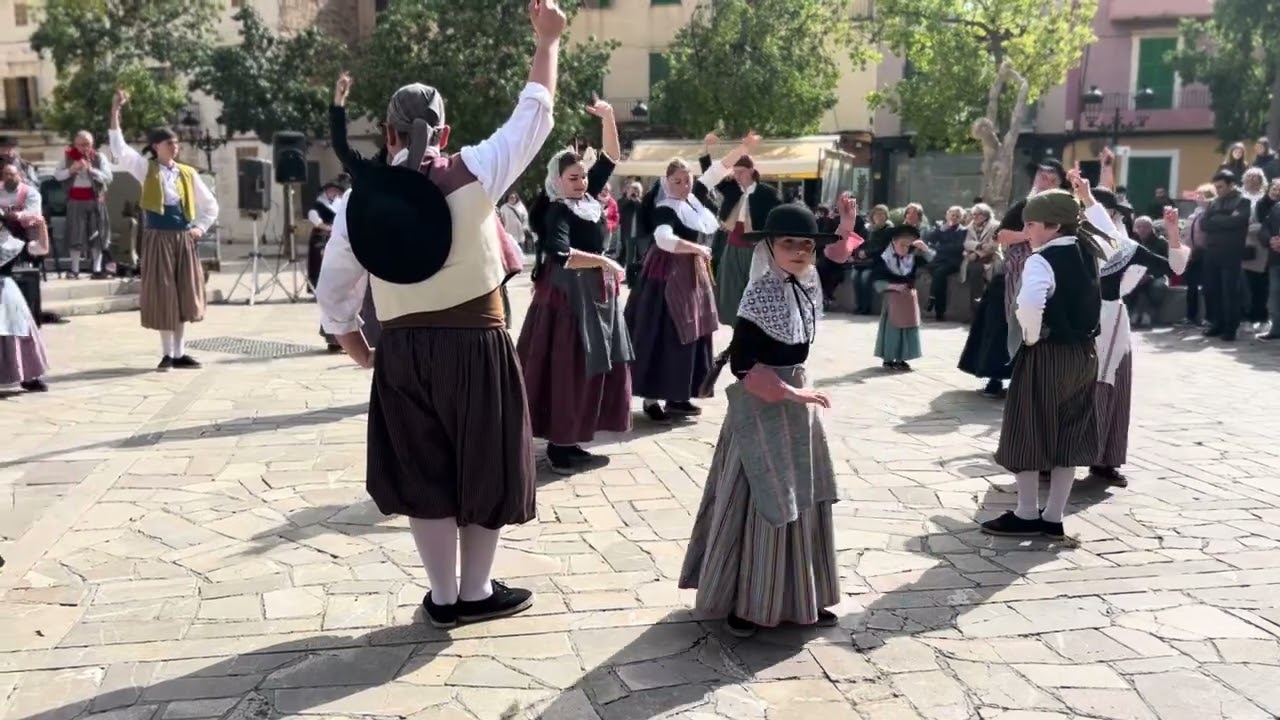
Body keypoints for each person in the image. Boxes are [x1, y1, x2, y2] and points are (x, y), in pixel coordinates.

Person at [315, 0, 565, 630]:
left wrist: (366, 354)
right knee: (486, 465)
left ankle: (444, 596)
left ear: (387, 132)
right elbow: (533, 115)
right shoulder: (475, 170)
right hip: (477, 346)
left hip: (401, 354)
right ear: (443, 133)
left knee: (425, 473)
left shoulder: (355, 203)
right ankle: (475, 593)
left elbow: (336, 296)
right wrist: (547, 42)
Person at [678, 196, 860, 639]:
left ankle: (802, 598)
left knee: (803, 500)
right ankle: (747, 602)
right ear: (769, 247)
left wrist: (846, 226)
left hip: (797, 407)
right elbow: (742, 365)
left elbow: (836, 262)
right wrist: (793, 393)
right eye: (789, 243)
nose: (800, 251)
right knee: (763, 499)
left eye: (806, 245)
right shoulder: (760, 294)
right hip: (764, 408)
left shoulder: (806, 281)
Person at [980, 187, 1115, 541]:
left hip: (1048, 353)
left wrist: (1030, 337)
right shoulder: (1089, 251)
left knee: (1026, 430)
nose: (1028, 232)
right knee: (1068, 434)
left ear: (1054, 226)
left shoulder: (1041, 260)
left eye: (1032, 225)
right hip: (1084, 354)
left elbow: (1028, 304)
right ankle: (1053, 517)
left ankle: (1027, 513)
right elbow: (1115, 242)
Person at [518, 98, 632, 475]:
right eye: (574, 178)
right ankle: (560, 445)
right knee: (568, 365)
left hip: (595, 292)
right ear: (556, 181)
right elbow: (563, 255)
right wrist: (605, 261)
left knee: (593, 365)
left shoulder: (585, 197)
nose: (582, 182)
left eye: (583, 177)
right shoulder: (558, 209)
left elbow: (612, 156)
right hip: (568, 298)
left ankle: (573, 439)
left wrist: (610, 116)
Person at [1077, 182, 1188, 488]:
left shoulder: (1125, 249)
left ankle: (1104, 459)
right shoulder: (1067, 241)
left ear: (1111, 214)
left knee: (1110, 386)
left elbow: (1175, 269)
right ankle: (1050, 460)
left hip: (1108, 325)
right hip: (1068, 323)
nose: (1083, 213)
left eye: (1087, 208)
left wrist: (1173, 232)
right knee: (1062, 386)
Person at [108, 90, 219, 370]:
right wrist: (115, 111)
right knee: (164, 293)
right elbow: (119, 148)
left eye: (176, 142)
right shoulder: (145, 169)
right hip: (158, 238)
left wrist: (199, 229)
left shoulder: (187, 173)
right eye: (170, 143)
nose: (175, 146)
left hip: (183, 238)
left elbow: (211, 205)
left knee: (183, 293)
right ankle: (167, 353)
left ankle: (180, 353)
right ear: (156, 146)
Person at [625, 151, 726, 423]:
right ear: (667, 182)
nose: (684, 185)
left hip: (691, 274)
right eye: (678, 181)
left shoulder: (694, 200)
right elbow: (664, 239)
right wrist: (698, 248)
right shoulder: (665, 208)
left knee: (691, 334)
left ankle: (679, 396)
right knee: (661, 334)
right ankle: (650, 399)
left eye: (687, 180)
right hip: (664, 277)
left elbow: (717, 171)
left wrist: (745, 147)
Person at [698, 132, 782, 332]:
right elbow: (709, 174)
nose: (737, 176)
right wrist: (706, 148)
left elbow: (778, 218)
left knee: (757, 291)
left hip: (758, 249)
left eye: (741, 172)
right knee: (731, 291)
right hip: (733, 246)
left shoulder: (767, 193)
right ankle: (739, 328)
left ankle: (759, 329)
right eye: (735, 172)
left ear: (752, 171)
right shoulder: (731, 190)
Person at [0, 161, 50, 393]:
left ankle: (28, 376)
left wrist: (42, 227)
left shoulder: (12, 243)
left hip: (7, 290)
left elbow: (41, 249)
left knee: (18, 328)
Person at [1200, 169, 1252, 341]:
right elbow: (1204, 224)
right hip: (1212, 252)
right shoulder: (1214, 203)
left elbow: (1238, 221)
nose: (1218, 190)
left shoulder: (1242, 201)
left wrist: (1217, 219)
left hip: (1231, 253)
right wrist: (1223, 218)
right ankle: (1217, 324)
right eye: (1216, 187)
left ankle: (1230, 328)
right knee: (1212, 290)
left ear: (1231, 185)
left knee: (1230, 291)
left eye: (1221, 186)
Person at [874, 225, 935, 371]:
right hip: (893, 297)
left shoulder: (913, 258)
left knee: (908, 327)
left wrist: (925, 248)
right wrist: (893, 287)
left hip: (908, 297)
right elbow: (876, 282)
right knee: (892, 329)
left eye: (908, 245)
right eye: (902, 244)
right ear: (893, 242)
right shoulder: (883, 259)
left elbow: (933, 261)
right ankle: (888, 358)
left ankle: (902, 357)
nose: (905, 248)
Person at [54, 131, 114, 279]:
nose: (84, 147)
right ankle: (75, 270)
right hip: (75, 201)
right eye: (81, 145)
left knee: (97, 234)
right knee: (76, 234)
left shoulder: (99, 157)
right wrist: (71, 170)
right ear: (75, 145)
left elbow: (109, 178)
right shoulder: (67, 157)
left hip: (95, 200)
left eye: (87, 144)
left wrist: (92, 171)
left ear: (91, 144)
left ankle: (97, 269)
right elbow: (57, 175)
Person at [925, 206, 967, 320]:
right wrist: (940, 230)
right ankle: (936, 305)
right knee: (939, 279)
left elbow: (957, 248)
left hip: (952, 262)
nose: (954, 218)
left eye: (957, 216)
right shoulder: (941, 228)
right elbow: (928, 239)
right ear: (947, 216)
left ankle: (933, 299)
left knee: (939, 274)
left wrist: (938, 247)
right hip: (938, 261)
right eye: (952, 215)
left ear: (961, 218)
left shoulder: (963, 231)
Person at [1256, 179, 1280, 340]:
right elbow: (1263, 229)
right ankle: (1276, 329)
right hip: (1276, 260)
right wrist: (1270, 239)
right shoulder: (1276, 208)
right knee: (1274, 297)